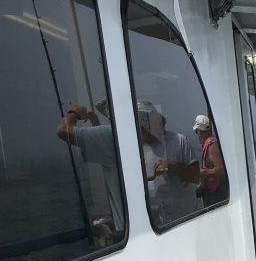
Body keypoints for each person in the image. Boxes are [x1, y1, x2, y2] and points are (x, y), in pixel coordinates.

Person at [56, 103, 125, 238]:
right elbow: (105, 149)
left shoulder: (112, 134)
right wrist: (96, 124)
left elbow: (63, 130)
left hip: (125, 229)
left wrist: (74, 113)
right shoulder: (125, 136)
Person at [136, 100, 199, 225]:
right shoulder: (134, 149)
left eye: (146, 122)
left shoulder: (178, 141)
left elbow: (197, 177)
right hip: (153, 222)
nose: (143, 127)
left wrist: (176, 167)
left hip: (184, 220)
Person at [192, 114, 227, 206]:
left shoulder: (211, 146)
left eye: (196, 131)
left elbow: (220, 171)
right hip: (212, 191)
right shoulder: (210, 143)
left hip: (217, 194)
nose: (197, 135)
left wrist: (203, 172)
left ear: (200, 131)